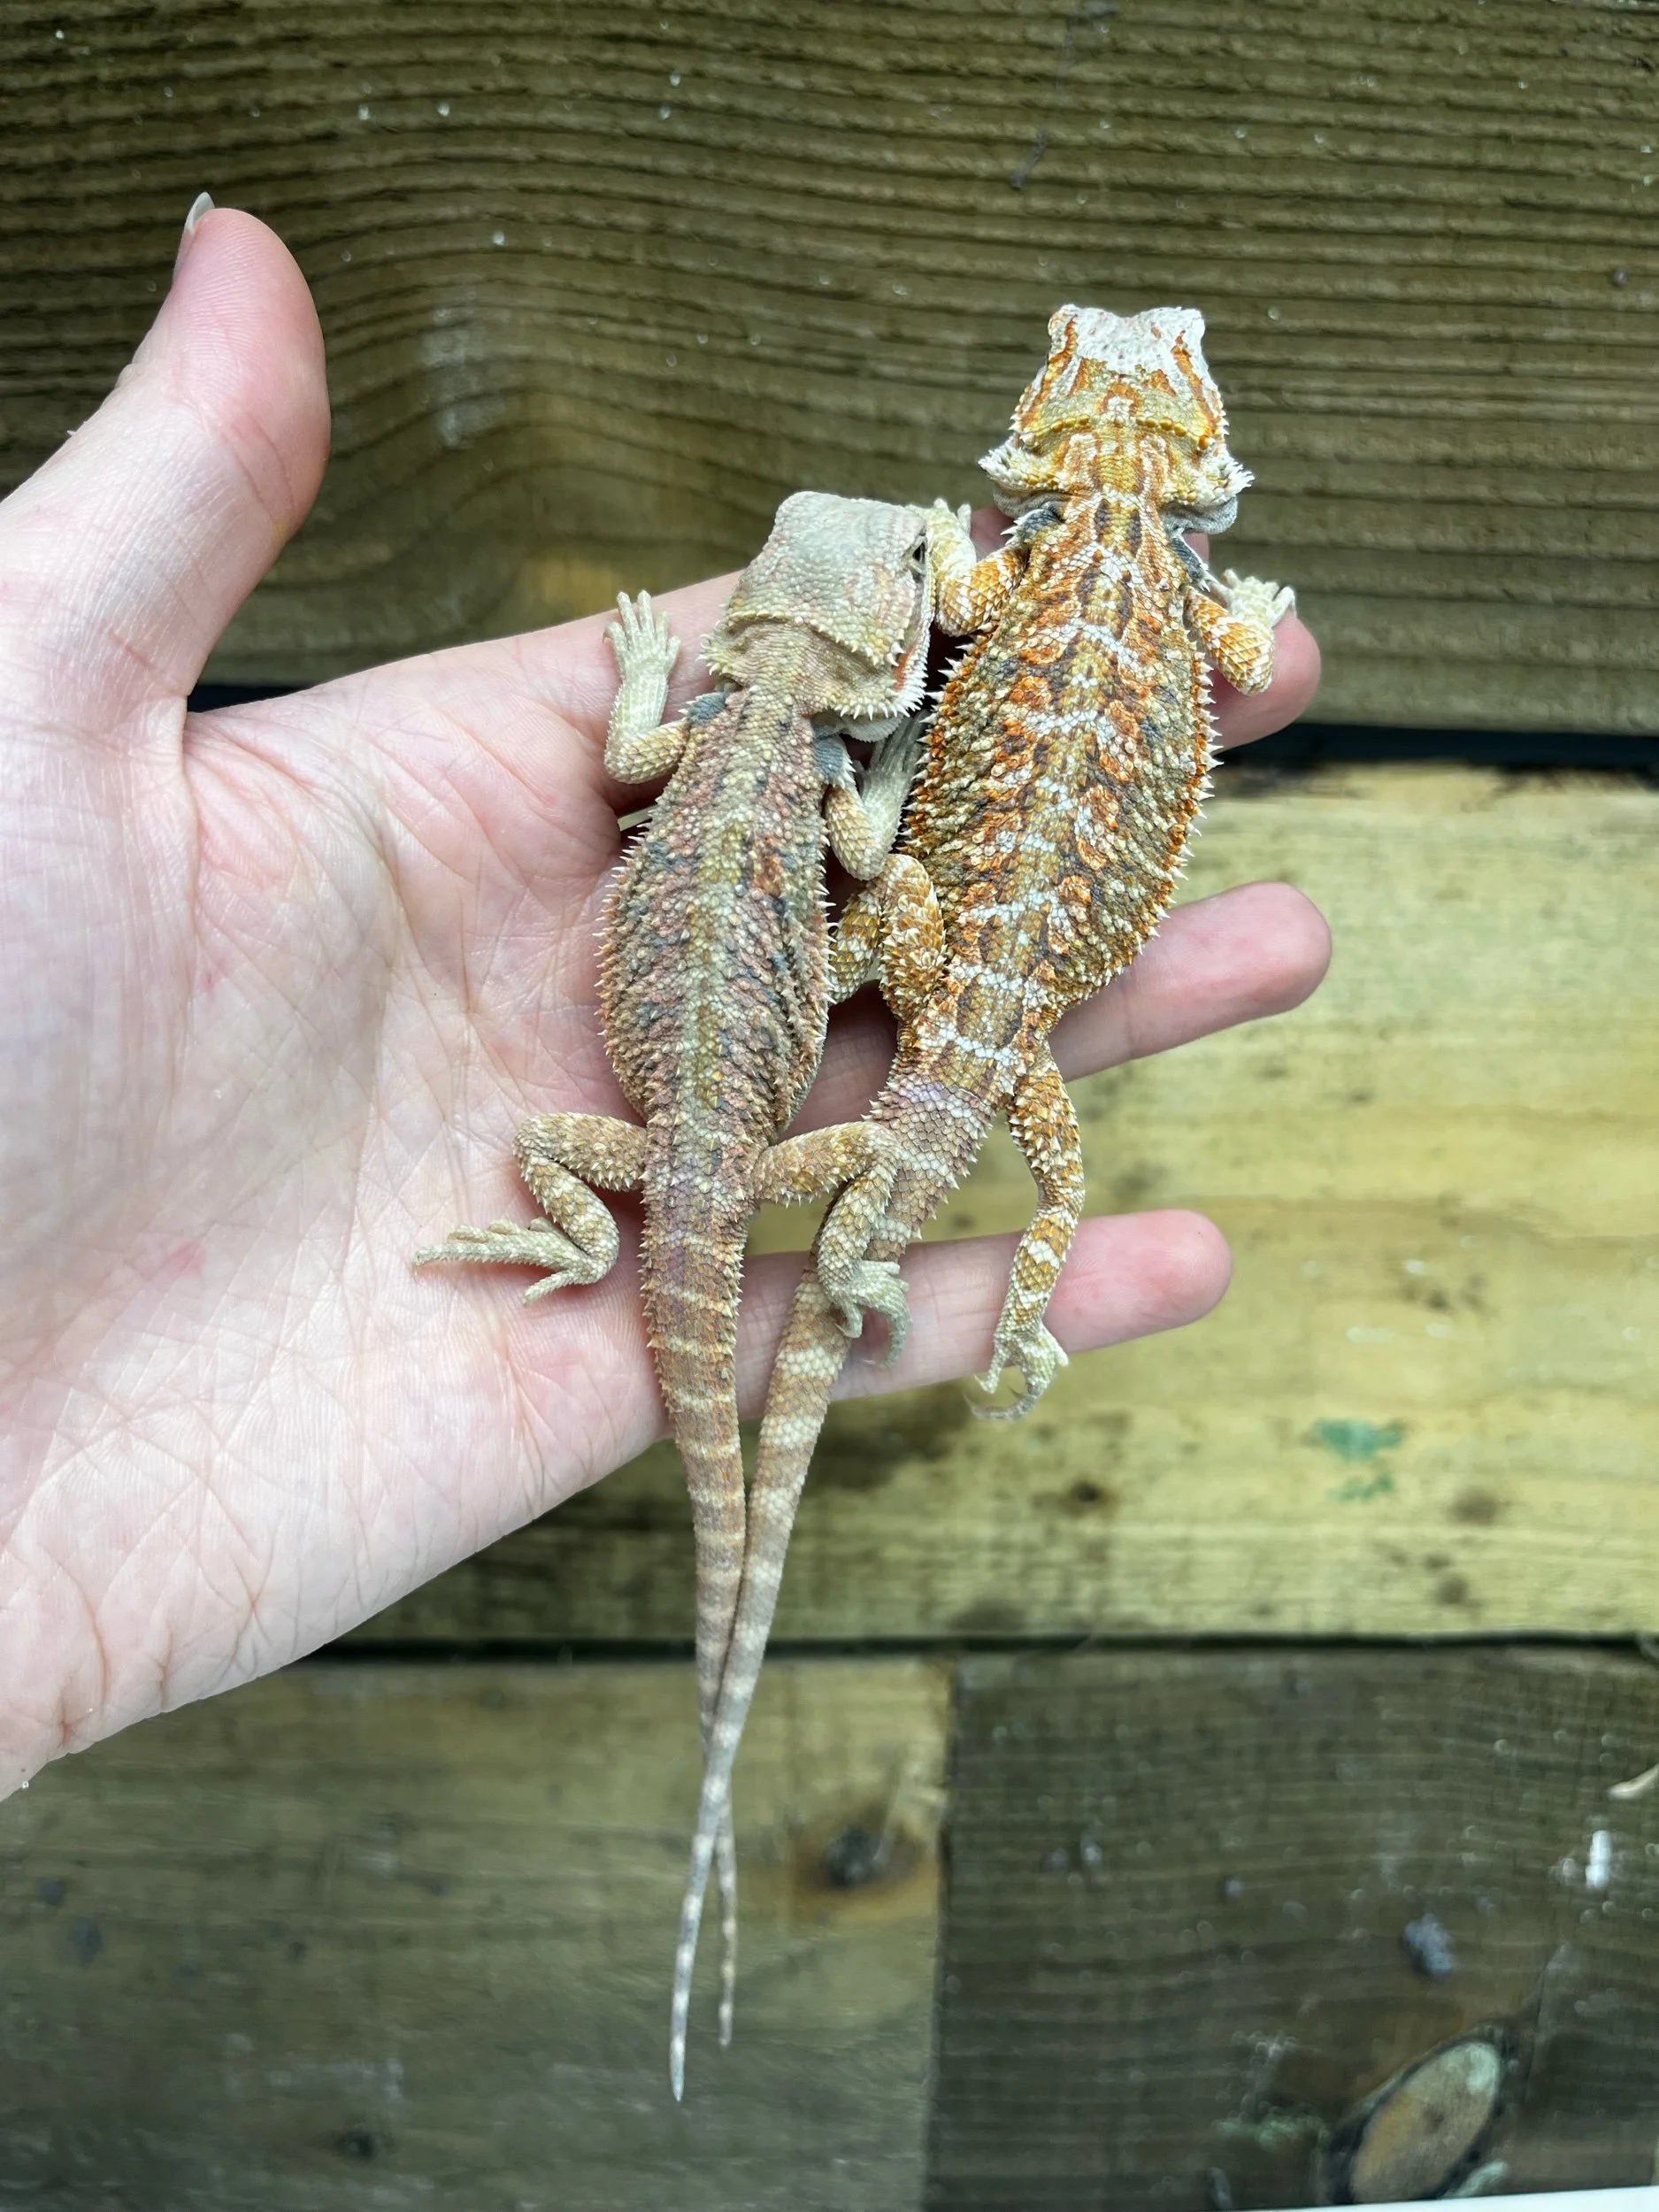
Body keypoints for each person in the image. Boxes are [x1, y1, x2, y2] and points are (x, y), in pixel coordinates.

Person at [0, 203, 1327, 1795]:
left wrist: (834, 924)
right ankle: (925, 1301)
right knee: (926, 1228)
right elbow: (1231, 650)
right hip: (847, 1013)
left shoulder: (873, 684)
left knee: (867, 1229)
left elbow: (797, 761)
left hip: (866, 984)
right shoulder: (1073, 666)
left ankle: (870, 1275)